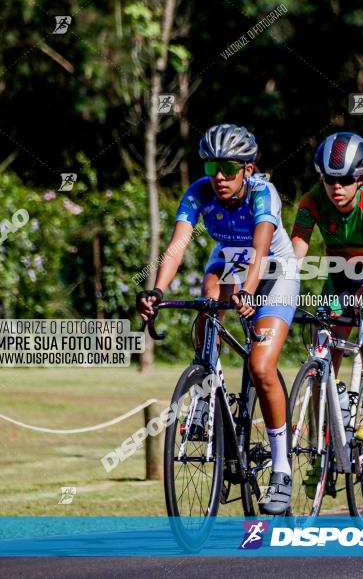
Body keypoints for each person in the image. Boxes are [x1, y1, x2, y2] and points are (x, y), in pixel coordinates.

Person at [136, 124, 299, 514]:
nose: (220, 176)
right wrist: (156, 290)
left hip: (273, 269)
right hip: (228, 261)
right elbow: (176, 246)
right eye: (212, 165)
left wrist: (248, 290)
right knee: (207, 301)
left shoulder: (264, 192)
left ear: (248, 168)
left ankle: (281, 469)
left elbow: (261, 248)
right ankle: (207, 390)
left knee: (261, 367)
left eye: (229, 166)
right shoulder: (200, 193)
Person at [290, 132, 363, 493]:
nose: (336, 187)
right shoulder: (311, 202)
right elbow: (295, 257)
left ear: (359, 178)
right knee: (321, 352)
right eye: (329, 179)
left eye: (344, 180)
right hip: (339, 279)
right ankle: (321, 447)